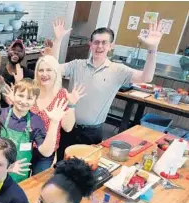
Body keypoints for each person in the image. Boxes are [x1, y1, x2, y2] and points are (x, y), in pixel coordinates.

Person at [53, 22, 163, 157]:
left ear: (111, 46)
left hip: (92, 132)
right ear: (90, 44)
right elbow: (52, 69)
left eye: (104, 43)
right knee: (60, 165)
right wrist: (57, 41)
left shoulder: (118, 70)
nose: (99, 46)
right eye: (96, 42)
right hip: (67, 127)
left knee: (85, 170)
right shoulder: (77, 65)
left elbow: (146, 77)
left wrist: (153, 48)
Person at [30, 55, 83, 172]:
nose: (44, 74)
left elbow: (67, 127)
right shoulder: (31, 91)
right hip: (25, 147)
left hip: (47, 151)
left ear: (56, 73)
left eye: (49, 70)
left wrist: (72, 105)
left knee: (37, 183)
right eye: (41, 70)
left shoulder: (61, 94)